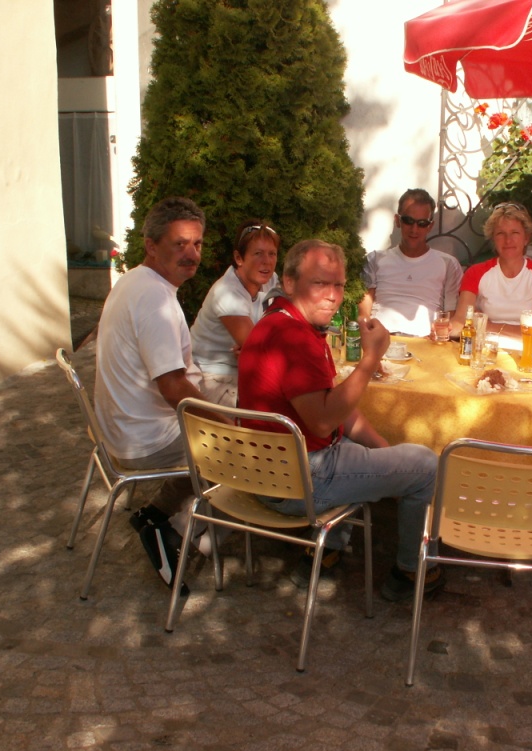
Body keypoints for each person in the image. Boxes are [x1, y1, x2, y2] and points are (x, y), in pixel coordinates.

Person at [237, 239, 444, 601]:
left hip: (262, 471)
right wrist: (370, 360)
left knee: (359, 445)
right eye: (319, 283)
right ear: (289, 282)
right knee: (426, 465)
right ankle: (412, 572)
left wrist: (384, 452)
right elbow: (322, 423)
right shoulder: (296, 338)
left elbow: (336, 408)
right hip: (298, 482)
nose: (332, 296)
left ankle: (326, 551)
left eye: (338, 284)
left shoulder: (278, 320)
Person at [94, 196, 215, 591]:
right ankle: (176, 531)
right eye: (179, 244)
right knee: (244, 448)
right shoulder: (154, 299)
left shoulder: (135, 281)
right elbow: (174, 389)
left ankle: (156, 515)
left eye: (197, 244)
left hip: (120, 429)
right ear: (151, 245)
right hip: (142, 439)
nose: (191, 254)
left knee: (227, 409)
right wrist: (228, 426)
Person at [190, 219, 280, 406]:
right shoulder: (227, 293)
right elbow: (259, 351)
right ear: (239, 258)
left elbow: (288, 323)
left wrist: (261, 345)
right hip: (212, 378)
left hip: (244, 373)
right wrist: (259, 346)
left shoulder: (270, 280)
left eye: (272, 253)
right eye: (258, 253)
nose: (267, 261)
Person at [358, 189, 463, 336]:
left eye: (422, 223)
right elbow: (364, 313)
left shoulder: (448, 264)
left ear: (430, 226)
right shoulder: (375, 259)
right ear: (398, 221)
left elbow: (450, 317)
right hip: (382, 339)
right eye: (408, 221)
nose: (414, 229)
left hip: (426, 341)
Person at [453, 202, 532, 344]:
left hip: (526, 352)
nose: (508, 240)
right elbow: (460, 322)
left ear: (526, 238)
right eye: (500, 233)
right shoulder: (475, 272)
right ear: (493, 239)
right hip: (484, 349)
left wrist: (488, 326)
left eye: (515, 233)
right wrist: (442, 328)